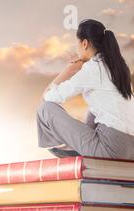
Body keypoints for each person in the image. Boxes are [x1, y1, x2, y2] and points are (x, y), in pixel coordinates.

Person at [37, 19, 134, 159]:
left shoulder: (93, 68)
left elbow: (47, 97)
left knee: (45, 109)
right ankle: (76, 147)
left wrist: (68, 70)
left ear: (84, 43)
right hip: (131, 148)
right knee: (93, 109)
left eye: (77, 44)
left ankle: (67, 147)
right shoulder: (118, 68)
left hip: (111, 148)